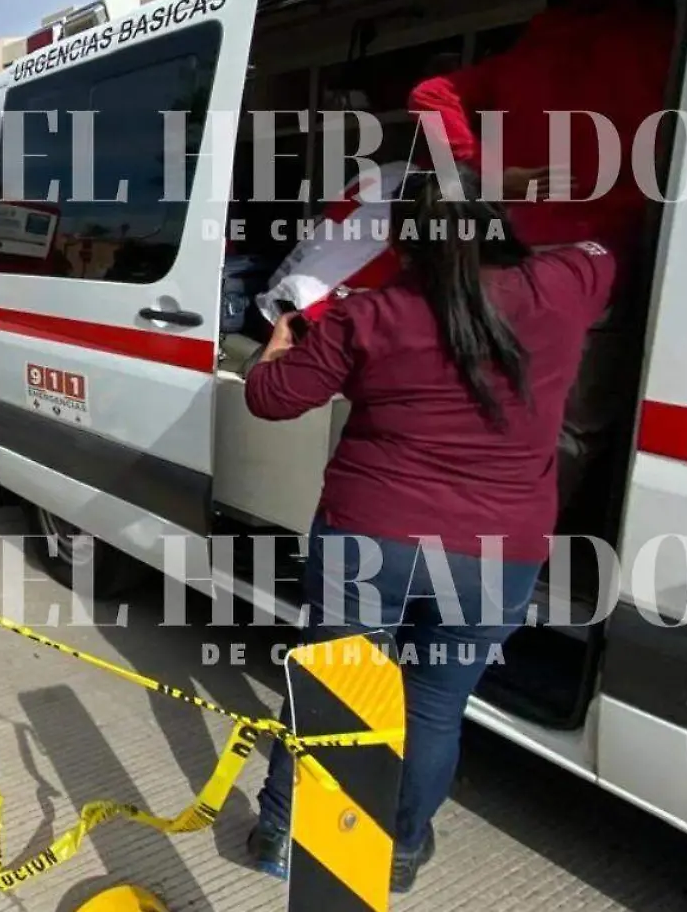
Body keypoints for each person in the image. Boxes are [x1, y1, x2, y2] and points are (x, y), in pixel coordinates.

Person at [239, 172, 617, 893]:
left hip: (369, 540)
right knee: (435, 709)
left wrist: (278, 346)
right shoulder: (564, 286)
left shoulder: (370, 314)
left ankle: (282, 835)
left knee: (334, 694)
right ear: (497, 221)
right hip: (496, 553)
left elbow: (270, 399)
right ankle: (400, 850)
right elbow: (605, 249)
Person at [407, 0, 672, 513]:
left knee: (496, 393)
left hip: (518, 253)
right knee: (574, 416)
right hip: (609, 255)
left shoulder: (518, 63)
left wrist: (483, 173)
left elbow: (429, 94)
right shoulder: (663, 42)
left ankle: (468, 523)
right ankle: (517, 538)